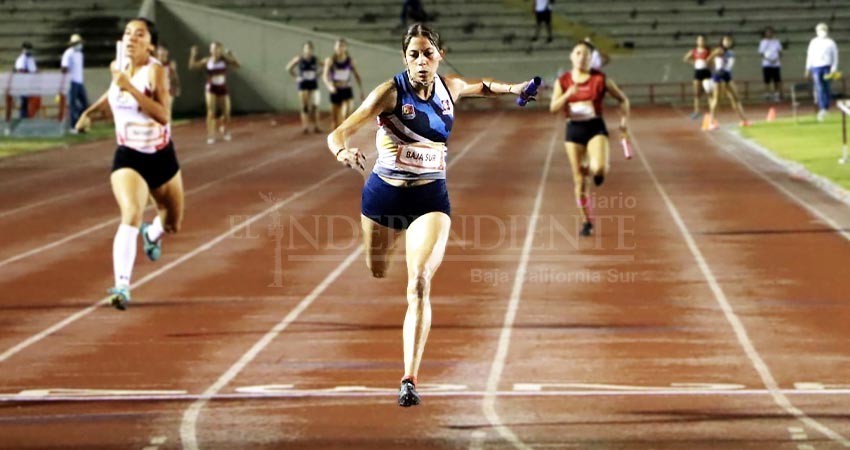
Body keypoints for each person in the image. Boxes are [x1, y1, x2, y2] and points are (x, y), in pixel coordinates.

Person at [326, 23, 535, 407]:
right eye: (413, 55)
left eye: (428, 53)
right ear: (404, 58)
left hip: (429, 199)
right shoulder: (389, 93)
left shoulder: (449, 88)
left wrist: (515, 89)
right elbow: (338, 131)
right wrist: (342, 152)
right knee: (377, 269)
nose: (421, 61)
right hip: (383, 197)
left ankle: (409, 378)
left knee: (419, 282)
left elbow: (481, 86)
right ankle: (384, 257)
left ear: (440, 54)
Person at [74, 18, 184, 310]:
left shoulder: (155, 72)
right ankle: (122, 285)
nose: (133, 38)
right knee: (131, 213)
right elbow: (113, 94)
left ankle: (152, 234)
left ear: (151, 44)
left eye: (140, 34)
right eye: (128, 34)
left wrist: (131, 90)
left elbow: (163, 115)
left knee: (172, 223)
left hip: (160, 155)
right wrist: (89, 112)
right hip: (128, 155)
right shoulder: (118, 66)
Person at [549, 41, 629, 237]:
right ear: (571, 56)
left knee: (599, 168)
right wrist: (568, 94)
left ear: (590, 58)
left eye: (586, 54)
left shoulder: (600, 79)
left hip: (595, 127)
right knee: (580, 180)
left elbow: (623, 99)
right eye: (578, 53)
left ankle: (598, 171)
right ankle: (586, 221)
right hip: (574, 131)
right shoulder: (563, 81)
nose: (581, 57)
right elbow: (553, 108)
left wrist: (624, 123)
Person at [189, 41, 240, 144]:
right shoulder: (207, 60)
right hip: (211, 87)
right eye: (213, 48)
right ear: (210, 50)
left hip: (222, 87)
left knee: (226, 112)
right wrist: (193, 55)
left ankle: (225, 130)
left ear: (220, 50)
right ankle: (211, 135)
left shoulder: (225, 60)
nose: (215, 50)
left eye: (217, 48)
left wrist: (231, 55)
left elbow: (238, 65)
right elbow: (192, 66)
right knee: (211, 112)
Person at [706, 35, 749, 130]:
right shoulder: (719, 50)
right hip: (719, 75)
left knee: (736, 97)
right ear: (722, 41)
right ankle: (711, 122)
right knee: (717, 99)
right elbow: (708, 60)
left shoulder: (731, 52)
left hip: (727, 75)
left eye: (729, 41)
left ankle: (744, 120)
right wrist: (714, 71)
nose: (727, 42)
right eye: (726, 40)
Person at [323, 38, 364, 131]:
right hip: (335, 90)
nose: (339, 48)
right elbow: (325, 76)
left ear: (345, 48)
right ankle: (335, 137)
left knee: (346, 116)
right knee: (335, 121)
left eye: (342, 46)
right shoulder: (330, 60)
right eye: (337, 46)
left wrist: (361, 91)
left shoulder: (350, 61)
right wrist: (329, 86)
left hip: (346, 89)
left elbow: (357, 76)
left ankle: (344, 138)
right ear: (335, 47)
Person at [806, 23, 839, 122]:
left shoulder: (831, 42)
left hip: (827, 67)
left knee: (826, 87)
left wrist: (834, 68)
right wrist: (807, 68)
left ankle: (825, 107)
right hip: (816, 67)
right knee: (819, 87)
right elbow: (810, 55)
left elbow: (835, 56)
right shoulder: (813, 42)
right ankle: (822, 107)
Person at [286, 41, 321, 133]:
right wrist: (296, 77)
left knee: (314, 105)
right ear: (303, 50)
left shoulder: (315, 59)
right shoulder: (299, 59)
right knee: (305, 106)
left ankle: (316, 126)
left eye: (310, 48)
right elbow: (289, 68)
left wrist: (318, 75)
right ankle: (305, 126)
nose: (308, 50)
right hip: (303, 83)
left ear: (312, 50)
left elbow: (324, 67)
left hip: (313, 83)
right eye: (306, 48)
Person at [62, 33, 88, 133]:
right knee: (72, 105)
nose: (79, 45)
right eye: (77, 43)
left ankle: (80, 123)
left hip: (79, 81)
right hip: (72, 81)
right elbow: (64, 67)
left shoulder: (80, 54)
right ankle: (73, 126)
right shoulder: (69, 53)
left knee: (84, 104)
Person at [682, 34, 711, 119]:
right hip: (698, 72)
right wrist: (693, 62)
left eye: (702, 40)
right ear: (697, 41)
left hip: (706, 72)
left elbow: (712, 60)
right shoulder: (694, 51)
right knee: (696, 93)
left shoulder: (708, 51)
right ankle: (696, 112)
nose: (701, 41)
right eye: (699, 40)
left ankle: (711, 111)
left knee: (708, 91)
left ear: (705, 41)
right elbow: (685, 58)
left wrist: (709, 65)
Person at [14, 41, 37, 119]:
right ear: (23, 49)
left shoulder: (31, 59)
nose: (29, 51)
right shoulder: (21, 59)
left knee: (28, 104)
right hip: (23, 84)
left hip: (30, 84)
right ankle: (22, 119)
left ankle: (26, 118)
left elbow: (34, 70)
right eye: (27, 49)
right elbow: (20, 70)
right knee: (23, 104)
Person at [759, 26, 783, 102]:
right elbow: (761, 53)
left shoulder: (776, 41)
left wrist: (776, 59)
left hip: (776, 64)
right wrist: (769, 60)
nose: (769, 34)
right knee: (767, 80)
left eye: (770, 32)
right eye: (767, 32)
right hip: (766, 64)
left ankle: (776, 94)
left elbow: (780, 52)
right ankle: (767, 94)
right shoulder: (763, 42)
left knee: (776, 80)